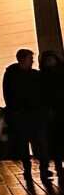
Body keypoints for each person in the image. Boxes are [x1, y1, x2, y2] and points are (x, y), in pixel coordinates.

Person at [3, 48, 53, 183]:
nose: (32, 61)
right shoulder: (13, 75)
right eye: (30, 58)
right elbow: (8, 95)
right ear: (23, 59)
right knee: (27, 144)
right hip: (23, 115)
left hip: (33, 115)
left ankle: (41, 167)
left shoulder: (28, 75)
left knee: (39, 143)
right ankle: (31, 168)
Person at [41, 51, 64, 179]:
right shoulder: (44, 76)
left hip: (57, 112)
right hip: (53, 113)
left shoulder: (45, 76)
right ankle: (58, 164)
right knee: (55, 140)